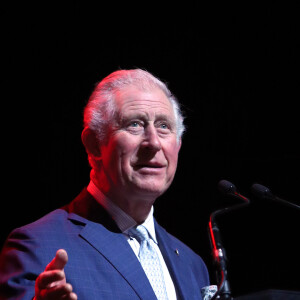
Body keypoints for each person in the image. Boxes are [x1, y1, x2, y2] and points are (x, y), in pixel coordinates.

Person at [0, 69, 211, 299]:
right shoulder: (37, 247)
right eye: (135, 124)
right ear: (94, 144)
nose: (153, 142)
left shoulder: (193, 266)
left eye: (163, 126)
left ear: (178, 145)